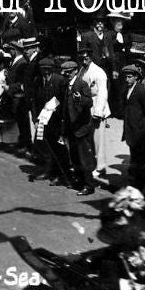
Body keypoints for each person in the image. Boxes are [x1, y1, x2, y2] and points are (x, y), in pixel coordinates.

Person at [65, 59, 97, 196]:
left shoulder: (82, 84)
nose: (66, 74)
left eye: (68, 72)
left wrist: (80, 99)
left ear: (75, 71)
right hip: (71, 127)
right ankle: (79, 181)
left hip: (82, 127)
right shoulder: (66, 85)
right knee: (75, 157)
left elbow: (89, 102)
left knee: (85, 158)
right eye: (64, 72)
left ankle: (89, 185)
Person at [120, 64, 145, 184]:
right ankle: (136, 178)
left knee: (139, 156)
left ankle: (139, 180)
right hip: (130, 128)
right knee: (133, 153)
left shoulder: (141, 91)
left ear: (136, 77)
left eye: (129, 77)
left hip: (139, 129)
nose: (127, 79)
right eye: (126, 77)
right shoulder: (127, 90)